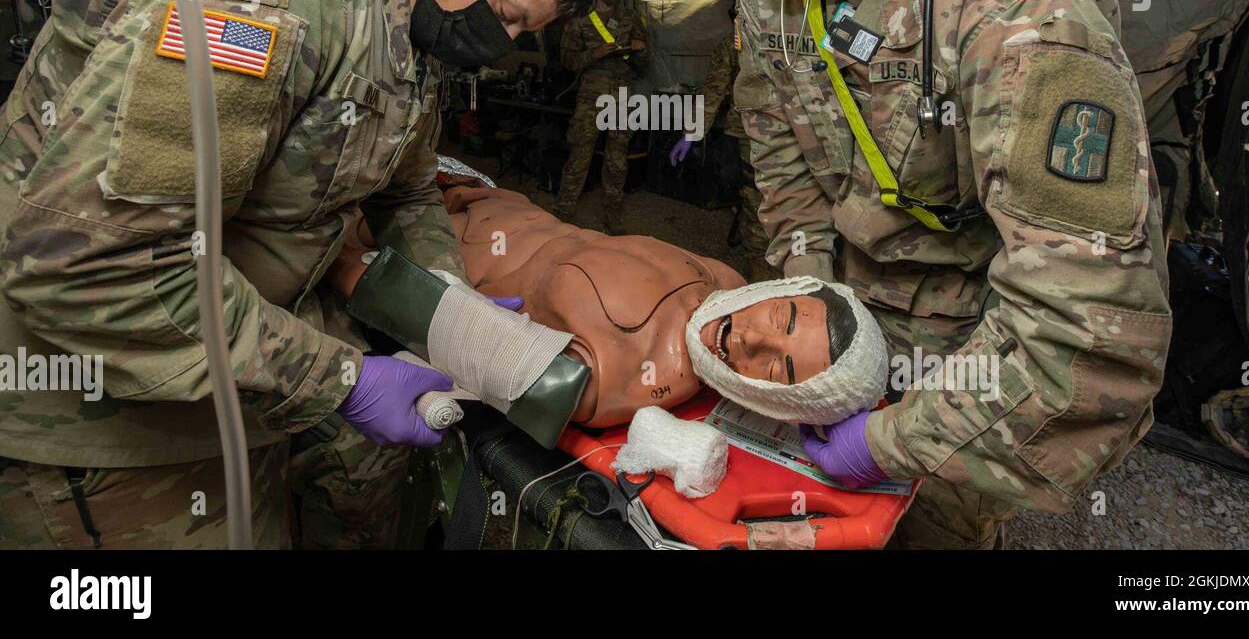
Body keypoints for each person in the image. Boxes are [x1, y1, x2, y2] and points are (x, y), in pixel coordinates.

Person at [695, 0, 1172, 548]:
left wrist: (888, 442)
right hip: (850, 308)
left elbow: (1088, 336)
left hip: (979, 338)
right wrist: (814, 292)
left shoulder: (1021, 4)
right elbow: (780, 151)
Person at [0, 0, 600, 548]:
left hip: (223, 364)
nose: (504, 44)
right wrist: (338, 379)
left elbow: (407, 189)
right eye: (508, 15)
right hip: (100, 407)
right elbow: (92, 263)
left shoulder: (410, 28)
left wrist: (447, 303)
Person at [327, 183, 887, 432]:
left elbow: (446, 323)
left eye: (776, 367)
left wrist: (333, 257)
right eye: (783, 319)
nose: (751, 338)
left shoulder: (631, 381)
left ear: (770, 401)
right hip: (484, 200)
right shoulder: (725, 278)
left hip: (411, 241)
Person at [668, 2, 775, 280]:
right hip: (750, 133)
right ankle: (759, 265)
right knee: (754, 198)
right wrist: (692, 132)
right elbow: (714, 89)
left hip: (795, 132)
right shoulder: (732, 46)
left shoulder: (786, 36)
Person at [554, 0, 648, 234]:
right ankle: (563, 212)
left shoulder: (631, 18)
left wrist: (640, 50)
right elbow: (567, 61)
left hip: (622, 93)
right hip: (591, 94)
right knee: (579, 154)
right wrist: (593, 54)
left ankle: (613, 214)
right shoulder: (579, 21)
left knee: (617, 158)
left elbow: (645, 63)